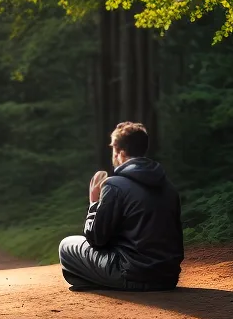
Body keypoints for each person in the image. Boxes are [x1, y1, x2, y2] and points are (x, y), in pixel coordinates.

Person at [58, 121, 184, 291]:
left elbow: (96, 239)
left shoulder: (114, 185)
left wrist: (93, 202)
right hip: (168, 277)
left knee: (66, 245)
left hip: (132, 274)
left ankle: (101, 282)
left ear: (120, 153)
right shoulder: (168, 186)